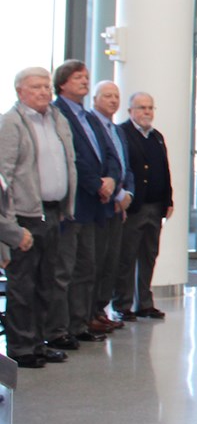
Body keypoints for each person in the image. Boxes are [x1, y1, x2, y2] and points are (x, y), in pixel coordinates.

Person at [0, 67, 77, 368]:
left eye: (47, 86)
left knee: (47, 282)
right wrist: (9, 228)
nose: (45, 92)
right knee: (23, 286)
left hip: (53, 212)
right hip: (24, 217)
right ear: (20, 92)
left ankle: (40, 342)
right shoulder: (11, 123)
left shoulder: (57, 119)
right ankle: (21, 348)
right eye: (36, 87)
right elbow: (2, 178)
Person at [51, 60, 122, 348]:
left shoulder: (90, 117)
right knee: (65, 270)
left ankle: (80, 324)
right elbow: (73, 158)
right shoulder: (58, 114)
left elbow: (110, 153)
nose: (84, 81)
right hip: (74, 205)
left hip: (96, 206)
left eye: (86, 77)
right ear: (63, 83)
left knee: (87, 267)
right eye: (78, 77)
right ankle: (59, 328)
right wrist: (97, 184)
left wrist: (111, 181)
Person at [115, 92, 174, 321]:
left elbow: (164, 170)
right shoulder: (122, 133)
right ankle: (123, 304)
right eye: (141, 108)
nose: (146, 112)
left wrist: (168, 200)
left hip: (155, 206)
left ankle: (145, 303)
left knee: (149, 255)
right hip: (134, 207)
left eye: (150, 108)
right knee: (127, 256)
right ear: (130, 111)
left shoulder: (157, 137)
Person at [90, 80, 134, 332]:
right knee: (96, 261)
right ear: (95, 99)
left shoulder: (117, 130)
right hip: (102, 203)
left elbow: (124, 167)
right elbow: (101, 166)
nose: (113, 100)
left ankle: (101, 310)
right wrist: (115, 194)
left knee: (111, 261)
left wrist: (127, 194)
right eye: (107, 95)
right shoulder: (91, 125)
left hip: (118, 204)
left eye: (116, 96)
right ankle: (90, 311)